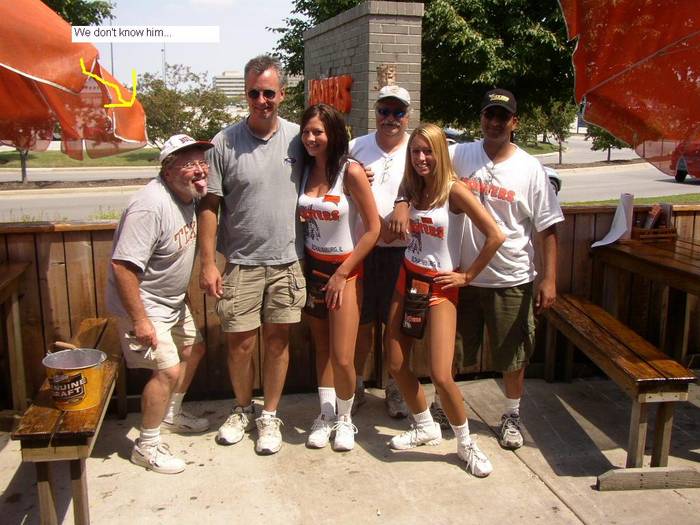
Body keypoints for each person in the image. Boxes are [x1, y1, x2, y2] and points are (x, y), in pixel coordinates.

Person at [198, 55, 306, 455]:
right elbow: (209, 206)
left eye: (269, 93)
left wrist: (360, 174)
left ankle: (270, 415)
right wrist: (208, 263)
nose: (262, 100)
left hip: (287, 262)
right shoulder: (223, 143)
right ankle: (243, 409)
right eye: (254, 93)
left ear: (282, 94)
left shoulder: (299, 139)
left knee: (278, 342)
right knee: (239, 345)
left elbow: (332, 168)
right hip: (240, 263)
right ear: (246, 95)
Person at [385, 123, 505, 477]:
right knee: (395, 362)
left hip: (440, 287)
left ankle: (466, 443)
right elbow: (403, 195)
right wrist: (401, 203)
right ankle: (424, 425)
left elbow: (496, 235)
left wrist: (467, 276)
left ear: (440, 152)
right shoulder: (412, 187)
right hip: (408, 280)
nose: (421, 158)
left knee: (440, 373)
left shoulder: (454, 191)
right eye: (415, 151)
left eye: (427, 151)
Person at [450, 89, 564, 450]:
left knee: (514, 354)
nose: (495, 122)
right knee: (450, 348)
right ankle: (443, 405)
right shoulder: (459, 155)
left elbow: (547, 227)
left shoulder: (530, 168)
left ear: (514, 122)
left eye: (502, 116)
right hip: (462, 275)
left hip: (511, 276)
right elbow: (420, 165)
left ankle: (512, 415)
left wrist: (549, 279)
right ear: (481, 118)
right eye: (489, 115)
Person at [106, 134, 212, 474]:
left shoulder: (188, 197)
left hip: (171, 302)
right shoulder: (150, 206)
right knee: (167, 370)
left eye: (201, 162)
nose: (200, 170)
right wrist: (140, 321)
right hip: (144, 304)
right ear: (167, 171)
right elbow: (122, 267)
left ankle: (170, 414)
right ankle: (147, 446)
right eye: (189, 164)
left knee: (194, 349)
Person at [298, 104, 380, 451]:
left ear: (333, 133)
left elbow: (373, 229)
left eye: (318, 132)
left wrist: (343, 273)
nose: (311, 138)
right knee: (322, 349)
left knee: (343, 356)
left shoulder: (351, 171)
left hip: (345, 271)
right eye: (306, 132)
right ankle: (326, 414)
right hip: (314, 269)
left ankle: (345, 419)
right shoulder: (303, 170)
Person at [348, 85, 411, 419]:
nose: (390, 118)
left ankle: (395, 388)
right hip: (363, 250)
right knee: (361, 323)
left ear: (407, 116)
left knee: (396, 326)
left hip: (404, 253)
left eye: (398, 112)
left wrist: (404, 202)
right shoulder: (355, 147)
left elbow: (434, 185)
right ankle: (356, 385)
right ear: (375, 113)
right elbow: (335, 185)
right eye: (384, 111)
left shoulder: (418, 149)